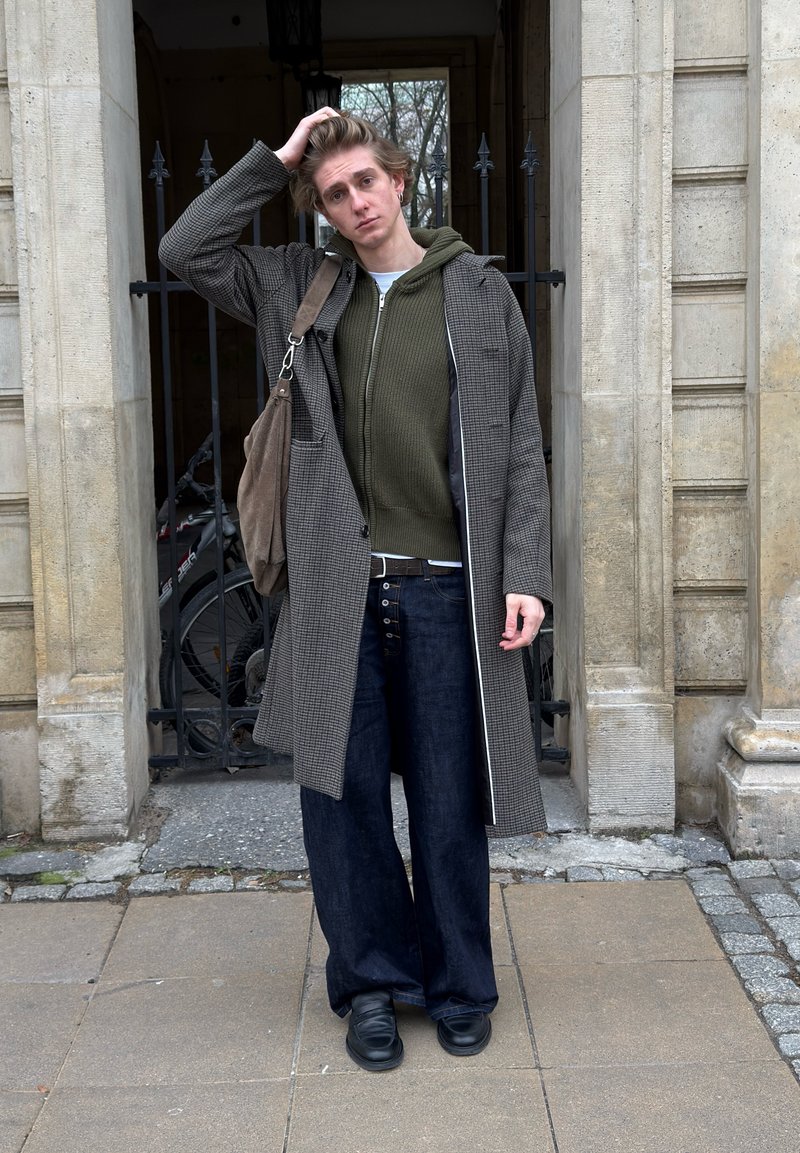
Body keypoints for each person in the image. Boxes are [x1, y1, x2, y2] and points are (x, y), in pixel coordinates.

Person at [159, 109, 552, 1072]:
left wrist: (528, 575)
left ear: (401, 180)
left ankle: (460, 981)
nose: (354, 203)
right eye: (333, 192)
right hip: (338, 589)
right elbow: (184, 246)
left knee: (451, 801)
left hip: (448, 594)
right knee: (339, 803)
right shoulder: (302, 283)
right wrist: (279, 160)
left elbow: (523, 445)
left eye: (366, 182)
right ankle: (372, 980)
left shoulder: (476, 292)